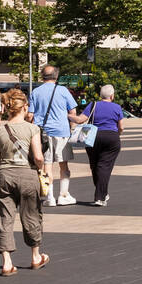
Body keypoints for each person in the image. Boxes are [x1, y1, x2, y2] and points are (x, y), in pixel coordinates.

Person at [0, 87, 49, 275]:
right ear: (24, 107)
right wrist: (42, 172)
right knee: (31, 215)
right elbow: (39, 157)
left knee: (4, 218)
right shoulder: (32, 129)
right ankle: (35, 256)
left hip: (4, 175)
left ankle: (7, 262)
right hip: (27, 174)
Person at [27, 65, 87, 206]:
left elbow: (30, 115)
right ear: (56, 76)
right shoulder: (63, 91)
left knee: (47, 166)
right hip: (62, 132)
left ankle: (49, 197)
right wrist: (72, 128)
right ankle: (63, 195)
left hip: (42, 134)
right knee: (63, 165)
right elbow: (72, 112)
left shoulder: (35, 92)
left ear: (42, 76)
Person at [81, 84, 124, 206]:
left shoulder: (93, 105)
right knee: (104, 167)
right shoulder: (117, 107)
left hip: (93, 137)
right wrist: (117, 135)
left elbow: (80, 119)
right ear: (112, 96)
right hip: (111, 137)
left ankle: (102, 194)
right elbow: (121, 127)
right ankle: (100, 197)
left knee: (95, 166)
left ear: (100, 95)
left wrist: (67, 116)